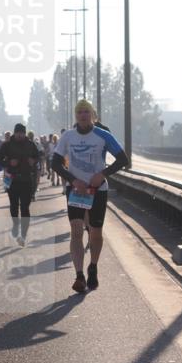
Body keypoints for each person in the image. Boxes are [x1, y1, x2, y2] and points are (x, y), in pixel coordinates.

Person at [51, 99, 130, 293]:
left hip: (97, 190)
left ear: (92, 115)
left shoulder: (103, 135)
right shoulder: (68, 136)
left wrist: (102, 174)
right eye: (79, 112)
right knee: (76, 231)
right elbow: (55, 163)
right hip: (76, 190)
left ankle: (93, 266)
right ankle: (79, 275)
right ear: (76, 116)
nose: (83, 115)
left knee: (95, 233)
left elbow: (123, 159)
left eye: (86, 112)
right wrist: (72, 180)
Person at [0, 123, 39, 246]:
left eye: (22, 133)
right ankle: (16, 224)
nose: (20, 135)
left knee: (25, 207)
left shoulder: (31, 144)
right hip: (12, 180)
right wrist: (9, 162)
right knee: (14, 205)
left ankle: (23, 236)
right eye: (18, 133)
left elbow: (37, 156)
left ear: (25, 133)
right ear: (14, 132)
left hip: (27, 179)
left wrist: (33, 161)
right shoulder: (7, 145)